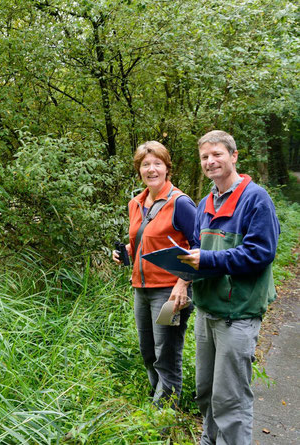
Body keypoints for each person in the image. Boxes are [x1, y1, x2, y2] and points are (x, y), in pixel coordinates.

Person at [178, 130, 280, 445]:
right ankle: (209, 440)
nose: (210, 161)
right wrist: (181, 272)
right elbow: (197, 248)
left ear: (233, 156)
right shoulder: (205, 202)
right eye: (205, 157)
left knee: (230, 397)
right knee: (207, 390)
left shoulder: (255, 198)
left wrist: (208, 258)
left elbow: (261, 252)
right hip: (207, 310)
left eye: (217, 154)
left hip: (238, 313)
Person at [113, 141, 196, 407]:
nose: (151, 169)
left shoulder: (180, 203)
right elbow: (141, 240)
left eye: (157, 164)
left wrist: (183, 283)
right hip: (142, 289)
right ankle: (156, 405)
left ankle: (164, 416)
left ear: (167, 168)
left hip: (170, 291)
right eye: (145, 164)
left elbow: (200, 246)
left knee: (166, 354)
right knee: (148, 352)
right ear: (139, 170)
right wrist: (125, 251)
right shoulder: (136, 203)